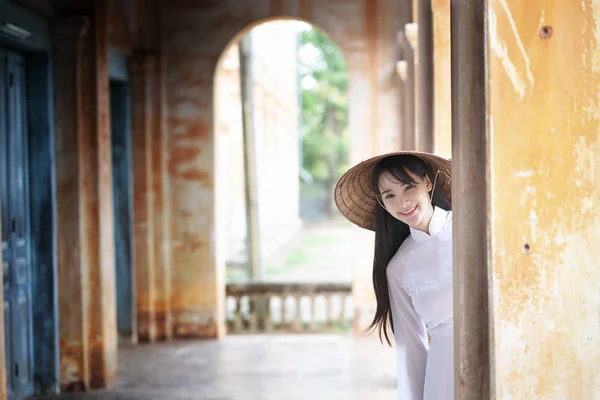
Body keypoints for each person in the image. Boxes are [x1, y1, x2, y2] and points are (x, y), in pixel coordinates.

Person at [334, 151, 453, 400]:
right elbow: (412, 348)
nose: (403, 202)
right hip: (445, 373)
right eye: (390, 195)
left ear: (428, 183)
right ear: (382, 202)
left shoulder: (471, 227)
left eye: (408, 187)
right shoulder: (399, 268)